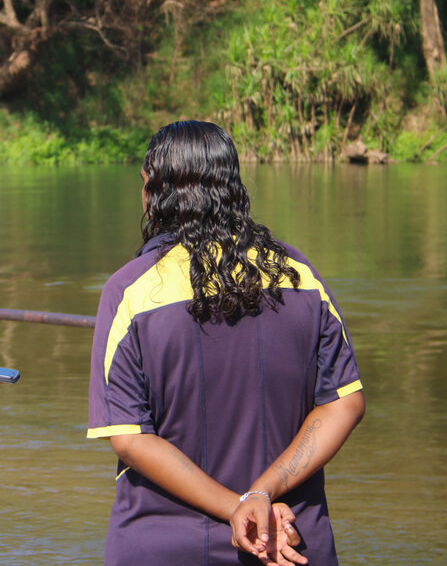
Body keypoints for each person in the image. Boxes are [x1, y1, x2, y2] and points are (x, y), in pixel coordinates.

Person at [87, 120, 365, 565]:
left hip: (163, 546)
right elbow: (344, 404)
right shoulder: (300, 276)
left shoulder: (129, 292)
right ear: (232, 186)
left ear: (154, 192)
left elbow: (131, 439)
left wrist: (239, 507)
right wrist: (261, 492)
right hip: (290, 541)